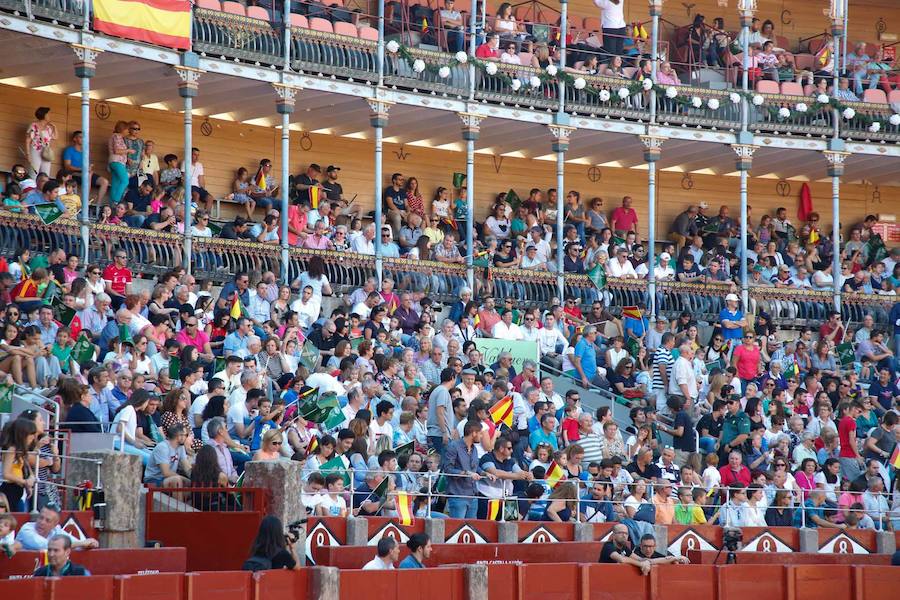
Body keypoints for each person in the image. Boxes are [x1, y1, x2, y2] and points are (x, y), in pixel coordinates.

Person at [16, 505, 99, 551]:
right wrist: (82, 543)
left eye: (47, 520)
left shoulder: (56, 530)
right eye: (41, 517)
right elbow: (46, 545)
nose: (42, 522)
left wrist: (89, 544)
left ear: (55, 525)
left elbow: (76, 543)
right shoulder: (26, 529)